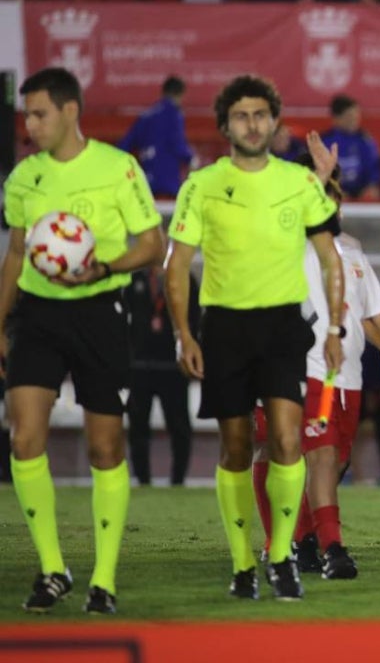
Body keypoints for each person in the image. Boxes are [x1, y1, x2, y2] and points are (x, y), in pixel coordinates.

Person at [165, 74, 345, 600]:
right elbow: (176, 267)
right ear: (226, 125)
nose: (252, 123)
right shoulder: (200, 185)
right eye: (241, 115)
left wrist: (334, 327)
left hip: (284, 325)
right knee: (237, 446)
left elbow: (330, 259)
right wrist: (183, 334)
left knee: (289, 439)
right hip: (223, 327)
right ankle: (243, 562)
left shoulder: (300, 182)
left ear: (274, 123)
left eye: (261, 115)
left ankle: (282, 555)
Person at [1, 66, 165, 614]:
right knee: (24, 438)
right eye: (27, 114)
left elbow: (152, 244)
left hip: (100, 310)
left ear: (71, 111)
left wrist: (102, 270)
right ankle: (52, 569)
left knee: (104, 447)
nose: (31, 124)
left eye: (40, 113)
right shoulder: (24, 177)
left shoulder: (119, 169)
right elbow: (18, 253)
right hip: (38, 315)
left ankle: (104, 577)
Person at [288, 155, 380, 578]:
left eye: (336, 198)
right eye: (324, 196)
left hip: (352, 378)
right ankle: (331, 547)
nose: (333, 205)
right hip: (314, 372)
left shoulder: (353, 256)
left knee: (337, 460)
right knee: (322, 458)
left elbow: (374, 316)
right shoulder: (287, 247)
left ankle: (301, 541)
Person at [125, 264, 197, 487]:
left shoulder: (185, 277)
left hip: (172, 366)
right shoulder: (132, 279)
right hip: (139, 366)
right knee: (137, 426)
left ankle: (178, 481)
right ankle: (143, 480)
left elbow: (195, 316)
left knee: (179, 427)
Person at [118, 76, 195, 199]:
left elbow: (123, 147)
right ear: (180, 94)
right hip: (169, 185)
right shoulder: (174, 113)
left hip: (147, 185)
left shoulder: (145, 116)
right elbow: (178, 144)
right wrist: (191, 158)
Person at [320, 95, 380, 199]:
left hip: (361, 191)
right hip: (334, 191)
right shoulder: (324, 142)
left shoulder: (365, 140)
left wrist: (370, 186)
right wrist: (335, 190)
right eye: (349, 116)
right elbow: (320, 173)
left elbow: (372, 170)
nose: (354, 120)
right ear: (336, 118)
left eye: (356, 116)